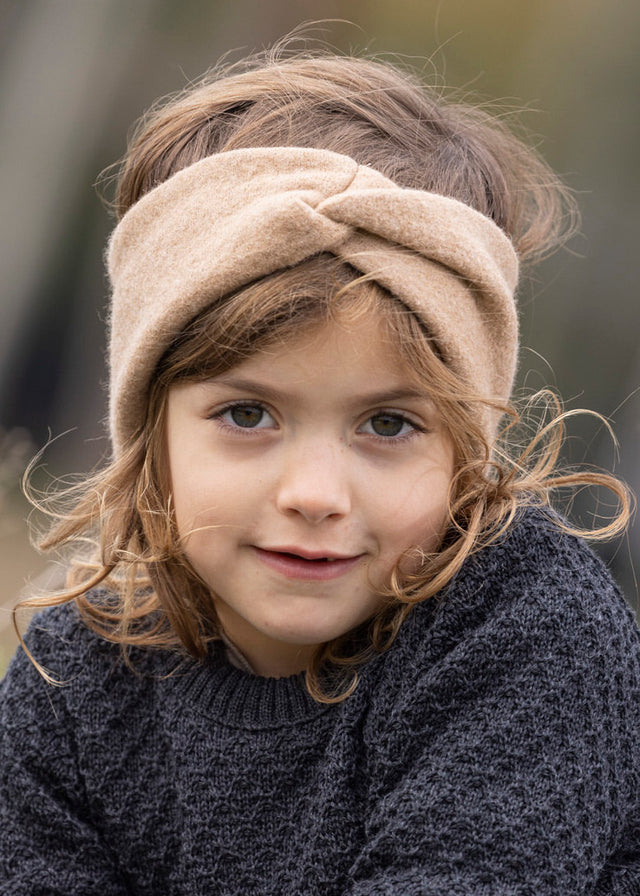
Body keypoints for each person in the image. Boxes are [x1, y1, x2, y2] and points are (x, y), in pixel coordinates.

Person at [1, 43, 639, 895]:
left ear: (466, 450)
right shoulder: (73, 674)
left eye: (387, 424)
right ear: (149, 430)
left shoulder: (525, 630)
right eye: (247, 415)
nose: (313, 496)